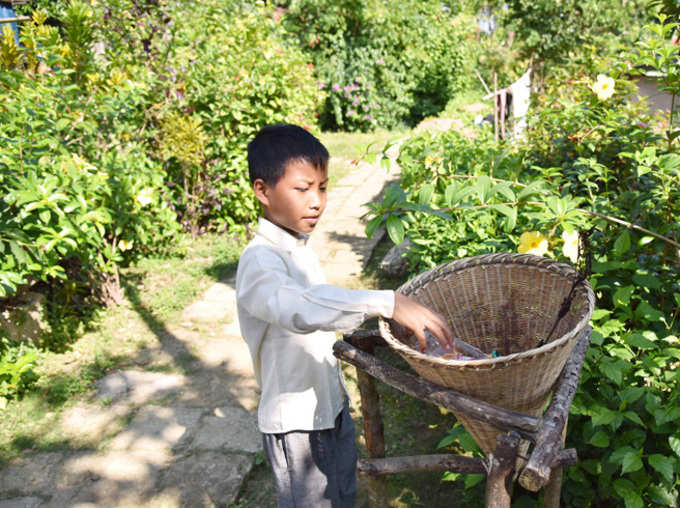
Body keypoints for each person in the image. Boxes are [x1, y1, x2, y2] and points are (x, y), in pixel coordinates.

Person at [236, 123, 454, 508]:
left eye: (322, 187)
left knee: (342, 495)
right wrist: (385, 302)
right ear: (263, 190)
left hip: (330, 406)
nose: (317, 200)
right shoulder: (259, 262)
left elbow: (321, 305)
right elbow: (299, 308)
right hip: (296, 425)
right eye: (302, 188)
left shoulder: (298, 247)